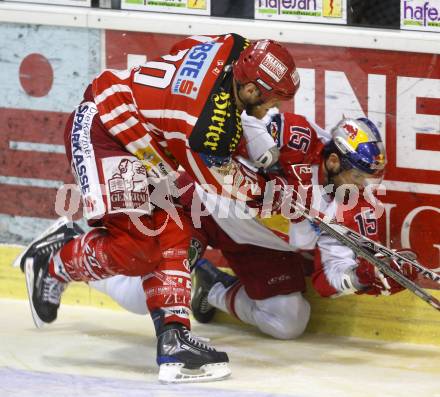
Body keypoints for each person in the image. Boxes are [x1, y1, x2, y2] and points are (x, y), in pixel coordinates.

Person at [17, 34, 300, 383]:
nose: (273, 109)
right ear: (252, 90)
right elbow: (224, 183)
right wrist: (273, 193)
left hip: (142, 140)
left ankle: (174, 340)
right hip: (106, 132)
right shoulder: (207, 128)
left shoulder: (234, 45)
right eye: (272, 100)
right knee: (139, 248)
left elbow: (182, 49)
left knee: (175, 230)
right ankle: (56, 260)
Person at [73, 111, 419, 341]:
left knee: (289, 321)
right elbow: (225, 135)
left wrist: (361, 276)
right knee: (140, 298)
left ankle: (209, 289)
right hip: (205, 208)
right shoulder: (293, 137)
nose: (363, 187)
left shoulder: (354, 209)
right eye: (358, 176)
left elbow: (327, 277)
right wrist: (264, 175)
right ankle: (77, 243)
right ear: (332, 161)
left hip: (258, 240)